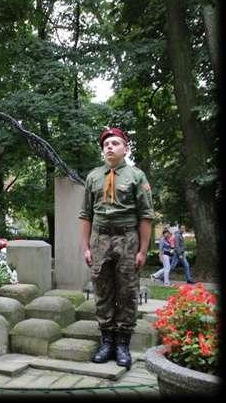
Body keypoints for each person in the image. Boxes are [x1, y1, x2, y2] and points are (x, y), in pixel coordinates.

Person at [79, 127, 154, 370]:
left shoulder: (136, 176)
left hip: (127, 240)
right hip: (100, 240)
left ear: (125, 149)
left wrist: (142, 251)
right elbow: (86, 214)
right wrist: (86, 247)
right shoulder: (93, 177)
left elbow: (145, 216)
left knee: (127, 292)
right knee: (102, 290)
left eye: (115, 143)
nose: (109, 147)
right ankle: (107, 341)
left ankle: (123, 343)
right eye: (106, 144)